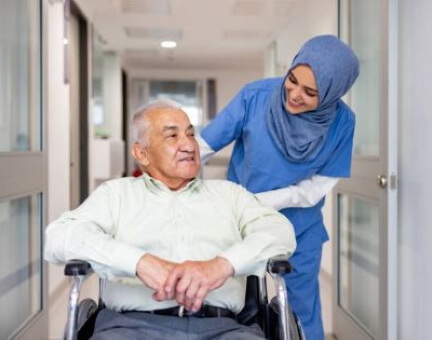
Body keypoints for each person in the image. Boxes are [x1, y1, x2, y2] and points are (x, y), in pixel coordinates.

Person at [44, 100, 296, 340]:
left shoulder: (230, 195)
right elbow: (58, 238)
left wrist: (221, 266)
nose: (188, 145)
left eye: (190, 134)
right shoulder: (116, 195)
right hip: (128, 329)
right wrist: (139, 262)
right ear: (141, 153)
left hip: (224, 329)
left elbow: (280, 231)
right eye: (172, 136)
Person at [199, 35, 359, 339]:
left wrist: (258, 200)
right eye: (292, 79)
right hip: (239, 223)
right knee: (232, 303)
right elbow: (204, 146)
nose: (295, 94)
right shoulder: (255, 97)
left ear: (331, 94)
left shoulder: (343, 123)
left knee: (300, 312)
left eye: (310, 92)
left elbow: (314, 189)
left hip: (299, 227)